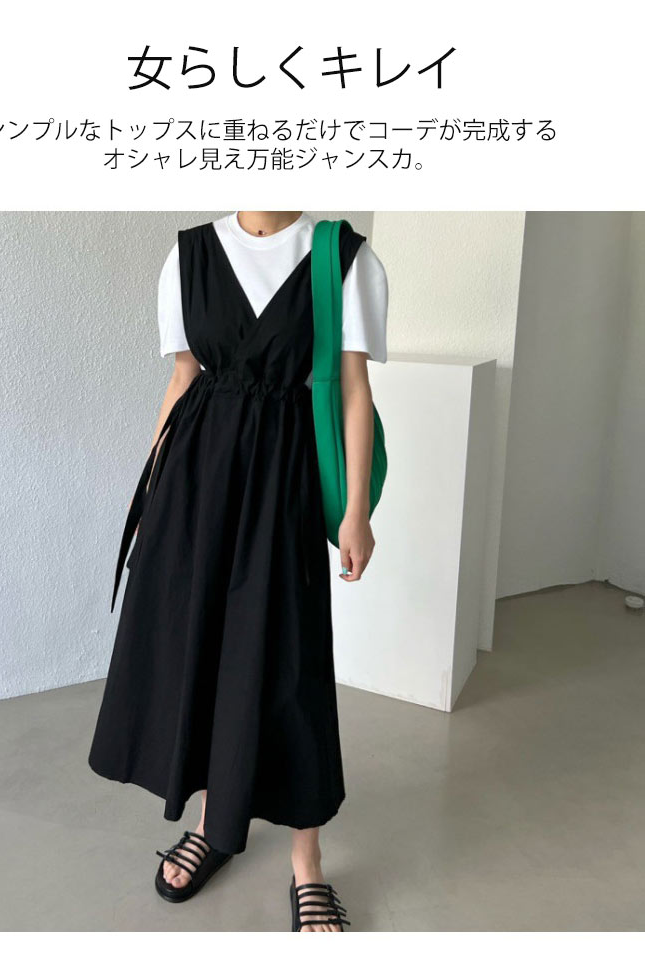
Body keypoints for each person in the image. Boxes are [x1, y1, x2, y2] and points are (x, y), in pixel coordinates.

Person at [89, 211, 388, 931]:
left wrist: (355, 511)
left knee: (289, 664)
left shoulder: (343, 258)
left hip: (283, 486)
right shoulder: (190, 256)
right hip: (197, 483)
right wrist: (153, 485)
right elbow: (182, 377)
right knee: (202, 650)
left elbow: (353, 390)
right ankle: (212, 823)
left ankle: (307, 862)